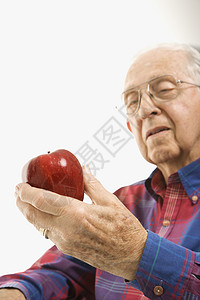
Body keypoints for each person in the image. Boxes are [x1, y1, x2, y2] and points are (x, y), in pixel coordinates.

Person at [0, 43, 200, 300]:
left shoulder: (116, 221)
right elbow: (58, 274)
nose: (144, 110)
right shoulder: (123, 204)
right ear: (130, 127)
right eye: (132, 102)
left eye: (164, 89)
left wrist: (135, 252)